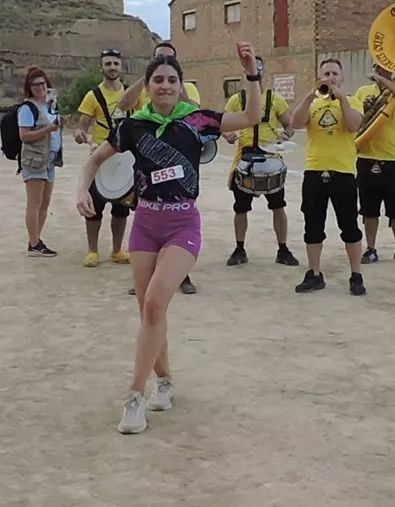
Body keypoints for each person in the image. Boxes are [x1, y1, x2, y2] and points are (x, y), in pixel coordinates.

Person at [76, 43, 264, 434]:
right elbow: (95, 160)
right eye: (157, 80)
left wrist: (251, 74)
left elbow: (251, 115)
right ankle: (164, 380)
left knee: (155, 301)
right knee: (150, 312)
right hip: (144, 224)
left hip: (182, 225)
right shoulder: (132, 126)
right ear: (147, 86)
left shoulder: (197, 121)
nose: (164, 86)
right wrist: (82, 189)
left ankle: (134, 397)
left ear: (181, 86)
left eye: (172, 80)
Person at [117, 40, 203, 295]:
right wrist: (146, 78)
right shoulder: (149, 86)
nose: (165, 84)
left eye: (172, 76)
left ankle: (180, 275)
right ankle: (148, 274)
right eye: (159, 58)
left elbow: (195, 113)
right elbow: (124, 104)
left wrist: (175, 88)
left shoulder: (180, 87)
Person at [285, 58, 367, 296]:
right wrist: (310, 96)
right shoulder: (313, 104)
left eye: (334, 73)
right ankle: (314, 274)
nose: (330, 78)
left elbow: (353, 126)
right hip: (314, 170)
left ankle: (356, 274)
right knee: (313, 226)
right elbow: (295, 123)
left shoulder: (353, 102)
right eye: (326, 73)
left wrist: (341, 99)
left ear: (342, 78)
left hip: (343, 172)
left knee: (350, 226)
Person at [224, 59, 299, 266]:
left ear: (263, 71)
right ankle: (239, 249)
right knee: (240, 208)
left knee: (278, 206)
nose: (254, 71)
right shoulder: (237, 99)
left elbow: (289, 125)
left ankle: (282, 249)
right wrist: (228, 135)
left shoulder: (275, 99)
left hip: (271, 157)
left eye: (258, 67)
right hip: (245, 157)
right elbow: (224, 125)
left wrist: (287, 134)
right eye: (250, 67)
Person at [351, 63, 395, 265]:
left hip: (394, 157)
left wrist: (384, 81)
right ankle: (370, 248)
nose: (382, 69)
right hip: (366, 156)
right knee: (369, 208)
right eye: (379, 65)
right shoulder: (363, 91)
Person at [74, 49, 132, 267]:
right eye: (108, 64)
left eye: (115, 63)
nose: (112, 67)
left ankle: (117, 250)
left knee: (121, 208)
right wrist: (80, 134)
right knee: (94, 206)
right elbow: (82, 126)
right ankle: (92, 251)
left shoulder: (130, 95)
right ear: (102, 67)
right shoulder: (93, 96)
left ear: (121, 66)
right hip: (100, 157)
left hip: (124, 157)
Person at [17, 68, 59, 256]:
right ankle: (34, 243)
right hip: (34, 159)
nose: (40, 88)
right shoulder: (28, 108)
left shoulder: (50, 105)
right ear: (29, 87)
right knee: (34, 203)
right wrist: (49, 129)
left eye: (43, 84)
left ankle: (35, 240)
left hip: (48, 159)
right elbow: (24, 136)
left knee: (44, 203)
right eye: (35, 85)